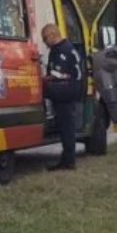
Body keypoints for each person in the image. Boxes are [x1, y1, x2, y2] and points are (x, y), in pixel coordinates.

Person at [42, 24, 84, 171]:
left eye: (45, 38)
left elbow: (57, 74)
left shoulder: (63, 51)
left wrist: (43, 80)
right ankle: (67, 159)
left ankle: (69, 161)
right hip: (68, 89)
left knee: (67, 126)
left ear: (53, 34)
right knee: (65, 125)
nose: (44, 43)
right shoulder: (65, 47)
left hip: (66, 90)